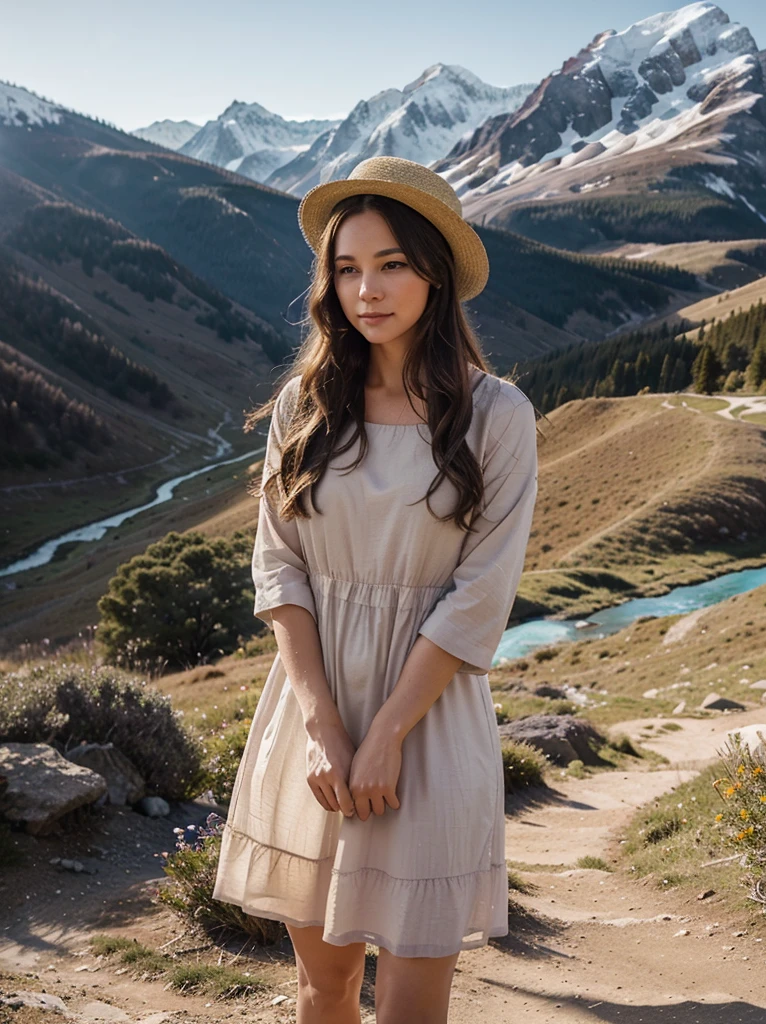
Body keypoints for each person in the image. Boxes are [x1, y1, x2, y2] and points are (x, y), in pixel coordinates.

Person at [211, 155, 540, 1024]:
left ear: (435, 270)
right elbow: (279, 568)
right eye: (348, 268)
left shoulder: (498, 415)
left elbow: (479, 594)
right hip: (313, 715)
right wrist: (324, 726)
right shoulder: (305, 406)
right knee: (323, 985)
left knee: (411, 998)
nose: (369, 289)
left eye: (392, 263)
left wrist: (388, 732)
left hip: (427, 725)